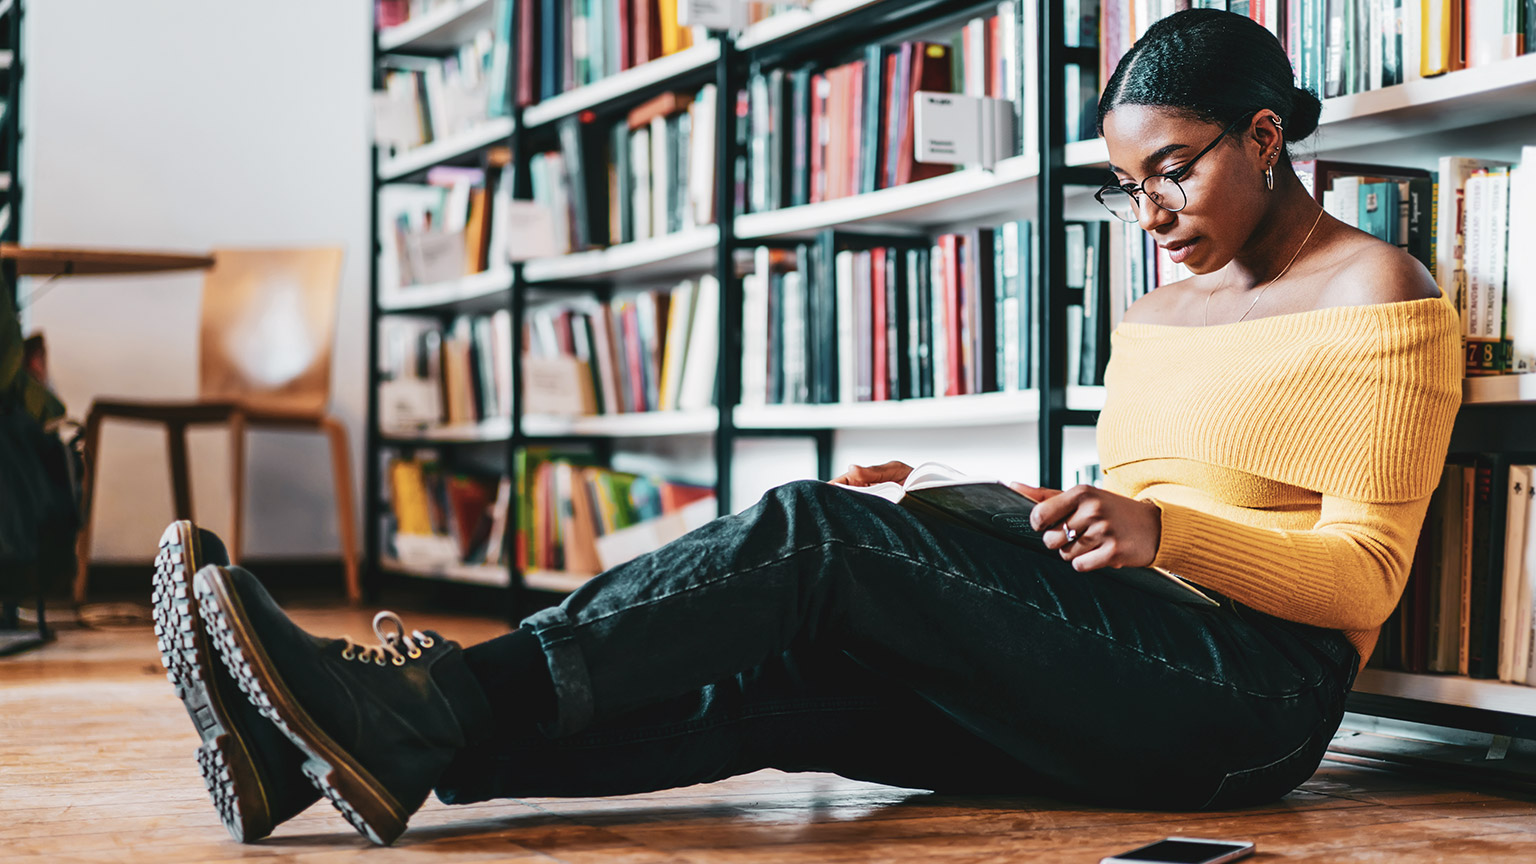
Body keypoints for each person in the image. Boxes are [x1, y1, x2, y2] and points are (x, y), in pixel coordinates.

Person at [154, 9, 1459, 847]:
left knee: (814, 538)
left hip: (1251, 709)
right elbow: (1137, 513)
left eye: (1173, 169)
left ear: (1267, 135)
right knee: (787, 682)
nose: (1153, 211)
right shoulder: (1158, 307)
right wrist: (981, 503)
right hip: (1129, 651)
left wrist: (1163, 525)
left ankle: (410, 700)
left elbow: (1356, 579)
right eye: (1128, 188)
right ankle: (364, 751)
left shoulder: (1378, 295)